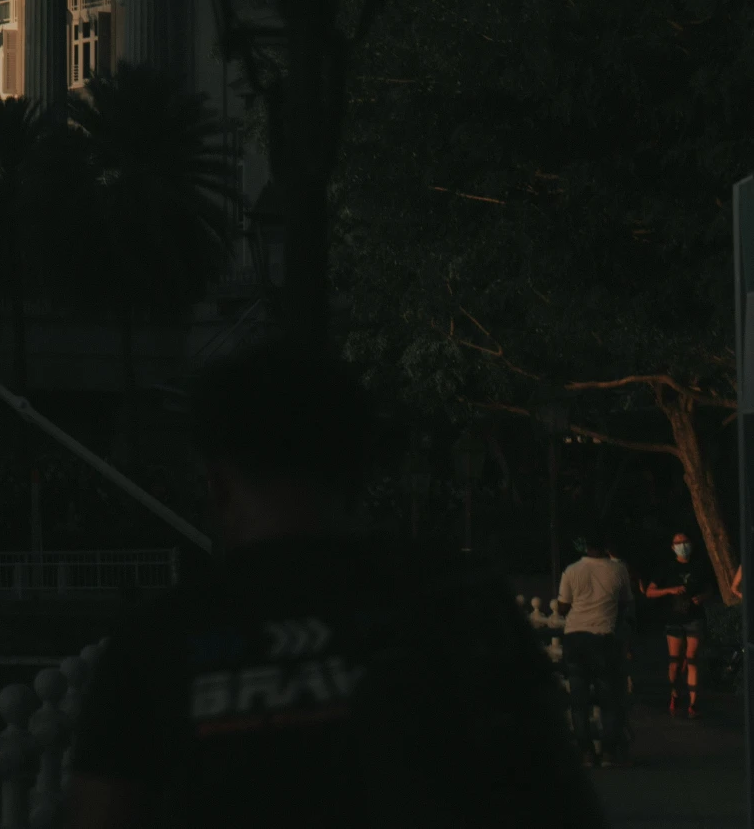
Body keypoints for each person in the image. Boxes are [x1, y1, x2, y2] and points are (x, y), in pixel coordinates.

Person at [68, 343, 602, 826]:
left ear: (216, 480)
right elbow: (556, 797)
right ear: (359, 465)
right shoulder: (459, 601)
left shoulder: (154, 643)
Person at [555, 534, 631, 763]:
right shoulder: (618, 571)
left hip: (576, 637)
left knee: (579, 701)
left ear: (586, 546)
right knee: (608, 698)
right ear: (606, 546)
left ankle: (585, 751)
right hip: (603, 637)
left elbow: (562, 607)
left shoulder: (571, 570)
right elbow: (625, 603)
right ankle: (608, 751)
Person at [643, 532, 714, 717]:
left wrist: (703, 597)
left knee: (692, 658)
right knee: (675, 661)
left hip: (694, 618)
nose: (682, 545)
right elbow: (650, 592)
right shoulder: (667, 568)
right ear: (672, 547)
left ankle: (693, 703)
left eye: (685, 541)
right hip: (674, 619)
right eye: (678, 542)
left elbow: (710, 590)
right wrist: (669, 590)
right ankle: (674, 693)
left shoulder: (699, 567)